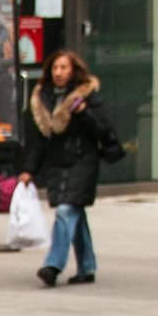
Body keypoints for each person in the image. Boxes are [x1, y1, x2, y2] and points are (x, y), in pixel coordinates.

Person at [21, 49, 125, 287]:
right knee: (75, 214)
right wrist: (29, 170)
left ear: (73, 70)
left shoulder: (86, 96)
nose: (59, 73)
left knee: (66, 211)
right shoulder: (43, 98)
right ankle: (87, 267)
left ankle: (53, 265)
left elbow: (103, 129)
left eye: (64, 68)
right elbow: (41, 140)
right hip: (57, 164)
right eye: (55, 68)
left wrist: (83, 113)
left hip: (82, 162)